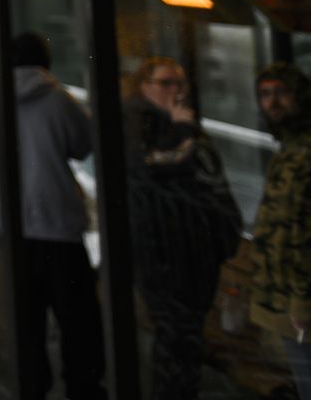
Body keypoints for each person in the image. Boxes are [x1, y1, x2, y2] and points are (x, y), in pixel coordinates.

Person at [0, 32, 107, 400]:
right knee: (78, 321)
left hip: (14, 230)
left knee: (26, 320)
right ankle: (83, 388)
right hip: (59, 225)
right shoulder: (59, 100)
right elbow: (84, 145)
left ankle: (32, 386)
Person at [120, 56, 241, 400]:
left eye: (180, 83)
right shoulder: (140, 121)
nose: (176, 91)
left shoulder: (175, 120)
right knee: (176, 340)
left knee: (187, 339)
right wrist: (182, 129)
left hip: (195, 250)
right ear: (144, 87)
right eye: (166, 83)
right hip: (165, 252)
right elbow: (153, 166)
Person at [248, 63, 311, 400]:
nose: (273, 103)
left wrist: (306, 297)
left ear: (300, 97)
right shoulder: (291, 147)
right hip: (290, 302)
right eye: (265, 95)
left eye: (281, 93)